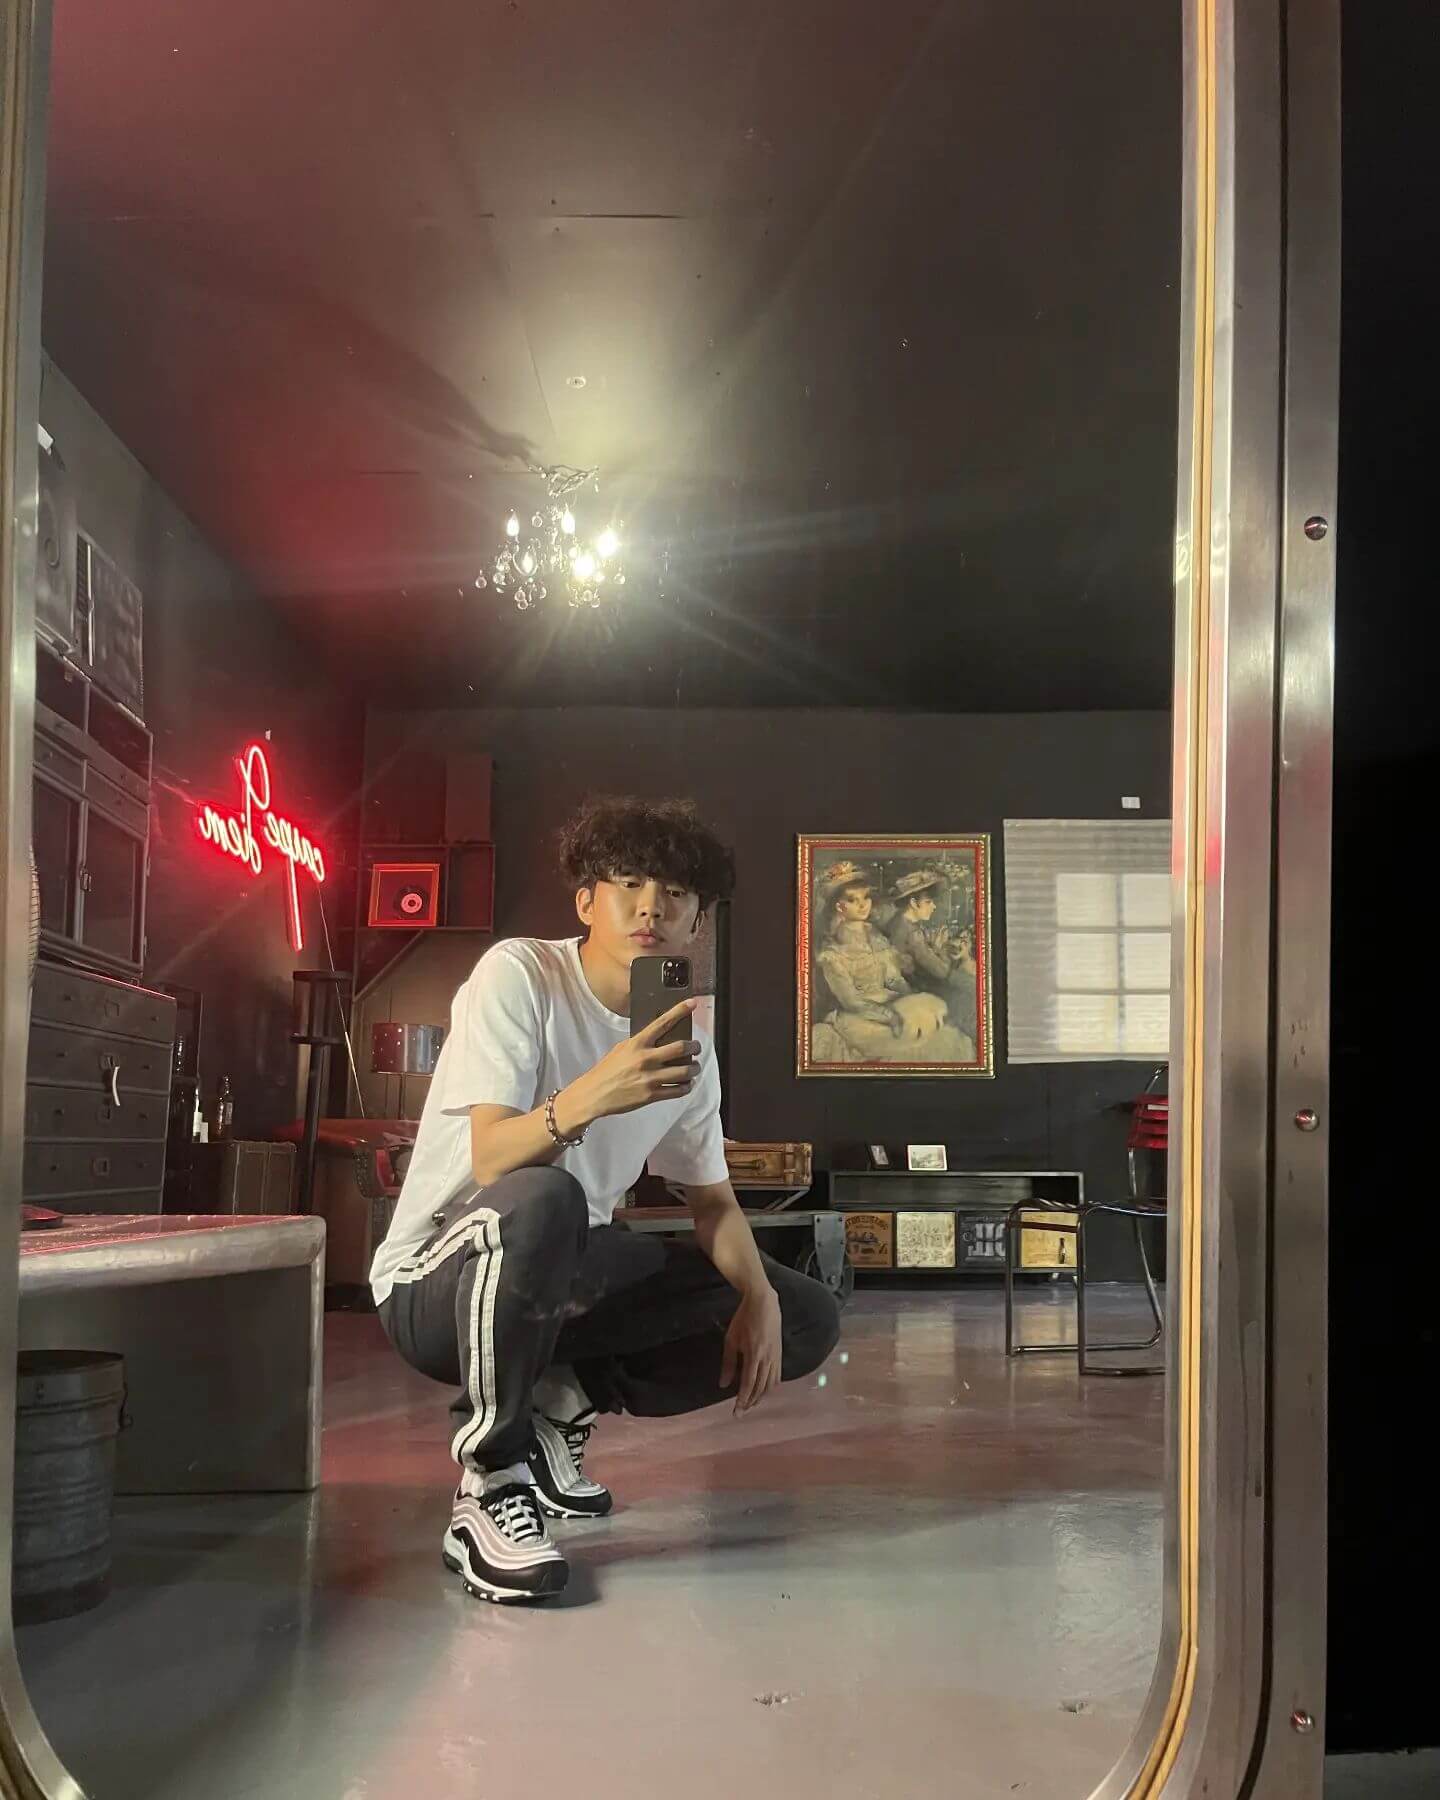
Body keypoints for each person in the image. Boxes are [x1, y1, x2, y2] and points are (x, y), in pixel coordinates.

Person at [370, 796, 841, 1605]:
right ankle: (490, 1484)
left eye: (675, 893)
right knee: (547, 1198)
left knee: (805, 1314)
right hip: (438, 1279)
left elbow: (713, 1204)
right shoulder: (520, 975)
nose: (651, 907)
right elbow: (492, 1156)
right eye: (628, 884)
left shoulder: (687, 1044)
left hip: (562, 1278)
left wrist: (759, 1293)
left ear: (696, 920)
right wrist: (595, 1092)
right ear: (587, 901)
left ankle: (561, 1409)